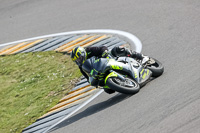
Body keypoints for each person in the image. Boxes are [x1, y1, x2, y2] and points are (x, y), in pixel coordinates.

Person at [70, 46, 147, 94]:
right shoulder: (82, 67)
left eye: (79, 58)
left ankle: (140, 57)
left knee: (117, 49)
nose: (79, 61)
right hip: (100, 71)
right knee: (108, 91)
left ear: (83, 53)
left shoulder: (89, 50)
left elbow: (102, 48)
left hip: (107, 59)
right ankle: (122, 82)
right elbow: (88, 77)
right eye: (77, 60)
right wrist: (93, 81)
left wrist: (104, 52)